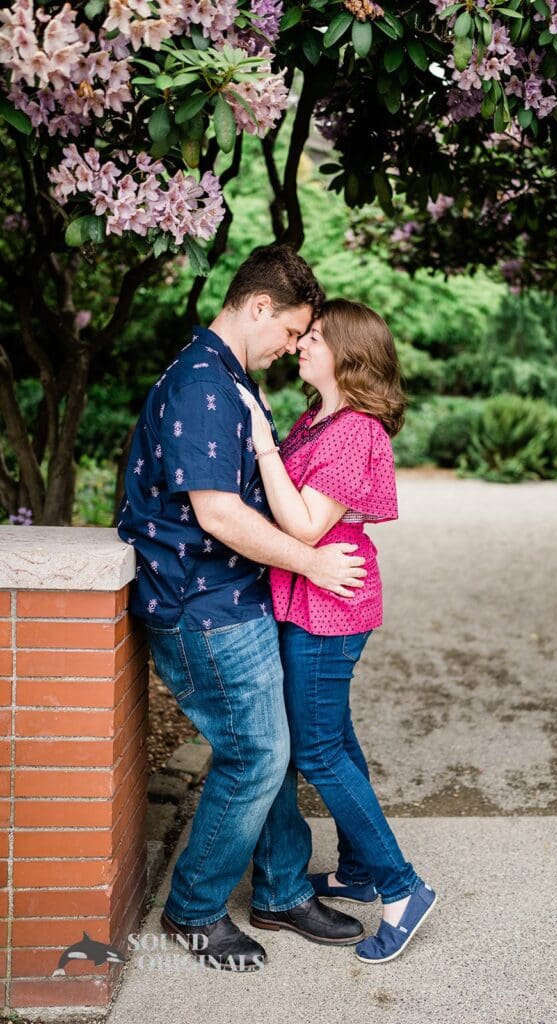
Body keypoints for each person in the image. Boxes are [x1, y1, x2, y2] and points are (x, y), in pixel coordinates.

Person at [117, 247, 370, 972]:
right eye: (290, 331)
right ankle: (195, 909)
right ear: (259, 307)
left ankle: (282, 890)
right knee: (256, 754)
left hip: (231, 595)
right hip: (201, 604)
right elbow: (219, 515)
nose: (292, 347)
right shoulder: (203, 384)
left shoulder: (227, 375)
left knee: (272, 746)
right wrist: (312, 563)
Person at [237, 298, 437, 965]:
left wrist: (261, 441)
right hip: (308, 597)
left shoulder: (354, 431)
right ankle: (356, 870)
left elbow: (303, 526)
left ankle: (402, 889)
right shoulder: (319, 417)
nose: (301, 343)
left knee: (317, 749)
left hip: (328, 605)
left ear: (349, 354)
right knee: (335, 736)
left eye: (315, 337)